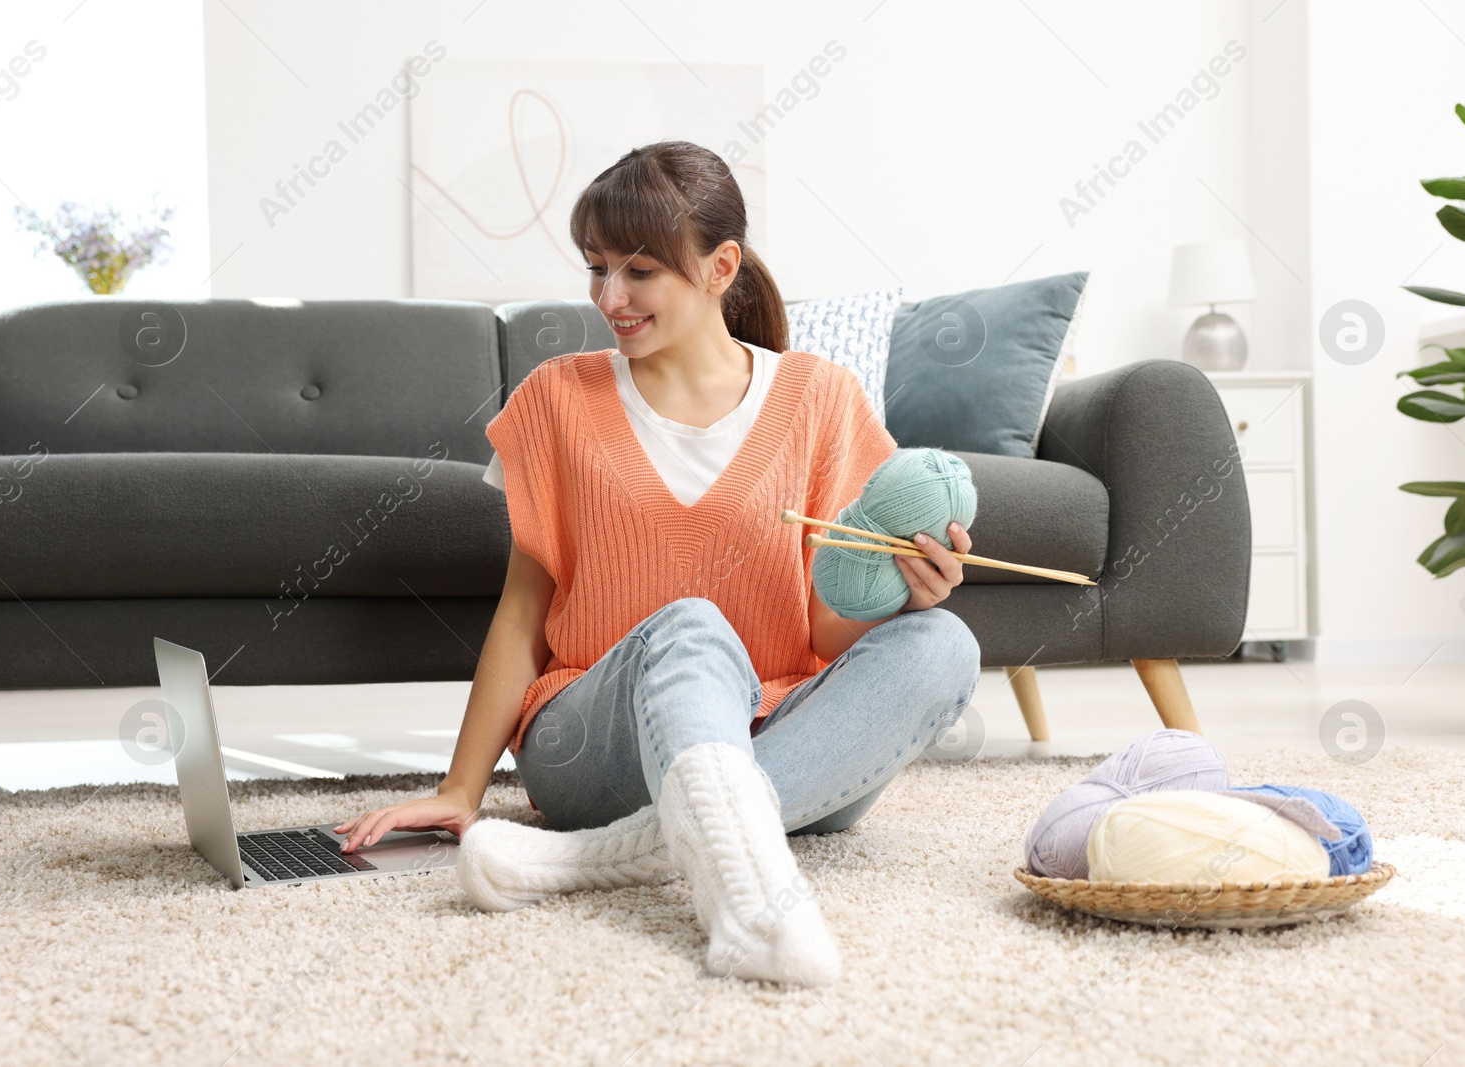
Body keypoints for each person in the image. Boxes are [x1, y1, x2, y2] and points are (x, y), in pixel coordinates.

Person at [335, 140, 982, 988]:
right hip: (591, 743)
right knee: (691, 625)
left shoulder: (821, 400)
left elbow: (823, 624)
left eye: (639, 272)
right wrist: (462, 788)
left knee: (944, 643)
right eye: (597, 269)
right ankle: (752, 910)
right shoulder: (557, 399)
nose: (610, 297)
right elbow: (522, 615)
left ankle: (612, 855)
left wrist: (902, 592)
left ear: (721, 268)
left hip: (783, 735)